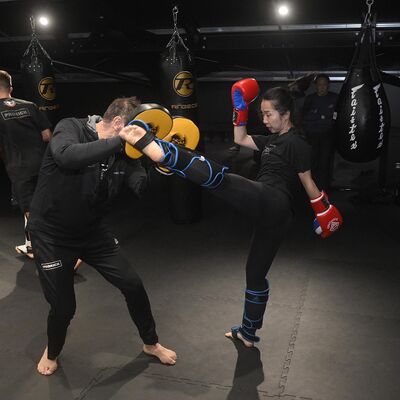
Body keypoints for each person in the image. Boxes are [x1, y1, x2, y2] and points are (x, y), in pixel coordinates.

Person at [118, 78, 343, 348]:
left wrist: (324, 210)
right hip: (270, 216)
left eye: (269, 114)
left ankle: (157, 150)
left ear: (286, 114)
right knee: (255, 272)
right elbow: (241, 138)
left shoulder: (298, 144)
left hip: (274, 201)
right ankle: (248, 332)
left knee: (222, 180)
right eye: (262, 113)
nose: (266, 118)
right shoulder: (272, 140)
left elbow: (308, 182)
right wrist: (240, 109)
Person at [27, 97, 177, 375]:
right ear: (120, 123)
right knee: (63, 307)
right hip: (52, 234)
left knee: (132, 284)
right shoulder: (71, 127)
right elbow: (66, 156)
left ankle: (151, 343)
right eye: (136, 131)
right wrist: (123, 141)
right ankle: (53, 349)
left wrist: (164, 165)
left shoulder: (125, 153)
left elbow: (143, 189)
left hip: (92, 231)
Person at [0, 70, 52, 259]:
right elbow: (47, 135)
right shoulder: (30, 106)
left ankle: (52, 255)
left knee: (31, 212)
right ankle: (30, 246)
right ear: (11, 88)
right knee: (41, 206)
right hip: (43, 165)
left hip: (19, 168)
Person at [302, 73, 338, 189]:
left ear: (328, 85)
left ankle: (325, 189)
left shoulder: (335, 98)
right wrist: (323, 117)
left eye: (324, 84)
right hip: (311, 136)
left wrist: (319, 116)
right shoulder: (310, 99)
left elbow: (336, 118)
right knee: (312, 162)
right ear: (315, 85)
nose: (322, 87)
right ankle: (312, 189)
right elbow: (305, 117)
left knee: (325, 162)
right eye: (319, 84)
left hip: (328, 135)